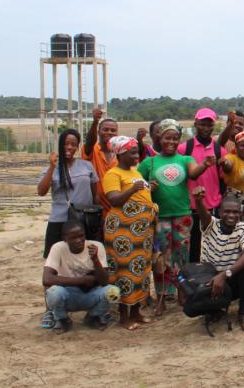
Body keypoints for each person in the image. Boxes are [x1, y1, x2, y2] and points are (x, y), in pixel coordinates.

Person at [138, 119, 215, 313]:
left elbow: (194, 174)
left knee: (181, 256)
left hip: (182, 215)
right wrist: (148, 186)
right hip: (160, 216)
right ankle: (163, 296)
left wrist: (205, 164)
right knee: (161, 257)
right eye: (167, 138)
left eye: (175, 138)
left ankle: (182, 291)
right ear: (159, 138)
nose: (171, 142)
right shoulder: (150, 162)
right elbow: (137, 185)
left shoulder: (185, 159)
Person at [102, 135, 157, 330]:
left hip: (141, 234)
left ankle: (136, 312)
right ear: (121, 154)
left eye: (137, 152)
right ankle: (124, 317)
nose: (137, 155)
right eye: (133, 152)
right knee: (124, 273)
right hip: (122, 233)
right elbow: (114, 199)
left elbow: (140, 194)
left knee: (140, 272)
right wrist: (134, 189)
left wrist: (148, 188)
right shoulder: (112, 174)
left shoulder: (135, 172)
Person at [193, 188, 244, 332]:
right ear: (220, 212)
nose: (231, 215)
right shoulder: (210, 225)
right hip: (210, 278)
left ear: (241, 214)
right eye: (227, 211)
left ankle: (243, 313)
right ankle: (215, 309)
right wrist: (198, 201)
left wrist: (224, 275)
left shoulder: (242, 228)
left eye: (235, 212)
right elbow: (204, 215)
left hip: (229, 278)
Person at [42, 221, 112, 333]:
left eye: (81, 236)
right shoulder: (58, 248)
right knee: (53, 292)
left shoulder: (96, 246)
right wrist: (82, 280)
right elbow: (46, 279)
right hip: (67, 294)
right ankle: (62, 319)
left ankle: (93, 316)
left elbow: (104, 281)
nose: (79, 240)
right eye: (73, 237)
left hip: (90, 293)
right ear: (65, 239)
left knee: (113, 292)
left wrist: (95, 260)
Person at [38, 128, 98, 258]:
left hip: (84, 220)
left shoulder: (87, 166)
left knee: (85, 257)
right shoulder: (52, 168)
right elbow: (41, 192)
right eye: (66, 143)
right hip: (60, 220)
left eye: (73, 144)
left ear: (77, 146)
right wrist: (52, 166)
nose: (69, 147)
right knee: (56, 257)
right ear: (60, 144)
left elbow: (95, 195)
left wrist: (98, 215)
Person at [178, 108, 228, 263]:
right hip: (189, 207)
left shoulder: (220, 151)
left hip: (212, 207)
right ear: (195, 124)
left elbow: (222, 179)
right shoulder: (184, 148)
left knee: (212, 247)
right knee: (191, 248)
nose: (206, 128)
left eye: (209, 125)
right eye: (202, 124)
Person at [81, 107, 118, 211]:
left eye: (113, 130)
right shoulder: (92, 149)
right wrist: (95, 122)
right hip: (96, 207)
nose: (109, 132)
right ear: (98, 132)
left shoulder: (120, 153)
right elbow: (89, 141)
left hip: (116, 207)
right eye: (105, 129)